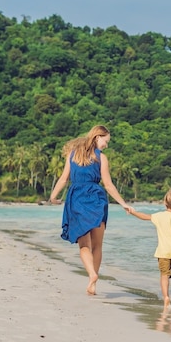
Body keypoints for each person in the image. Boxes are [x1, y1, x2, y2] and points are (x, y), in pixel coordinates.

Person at [49, 125, 133, 295]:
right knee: (97, 245)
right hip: (96, 199)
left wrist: (53, 196)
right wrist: (123, 203)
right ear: (97, 137)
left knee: (84, 245)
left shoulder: (72, 155)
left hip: (77, 199)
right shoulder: (101, 158)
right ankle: (93, 283)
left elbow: (64, 179)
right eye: (105, 141)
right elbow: (108, 185)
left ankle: (92, 274)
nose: (106, 145)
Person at [128, 188, 171, 308]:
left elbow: (144, 216)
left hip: (163, 252)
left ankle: (166, 297)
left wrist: (133, 212)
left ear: (165, 202)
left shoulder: (158, 216)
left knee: (164, 275)